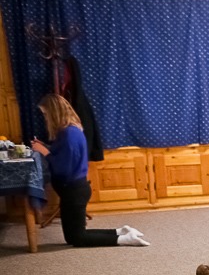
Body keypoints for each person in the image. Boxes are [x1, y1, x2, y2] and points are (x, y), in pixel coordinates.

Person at [30, 94, 149, 249]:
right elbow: (63, 154)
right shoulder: (67, 131)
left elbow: (64, 168)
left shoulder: (69, 134)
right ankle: (121, 231)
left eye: (46, 114)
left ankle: (124, 239)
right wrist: (46, 147)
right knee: (72, 237)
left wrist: (44, 152)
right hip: (70, 190)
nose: (45, 118)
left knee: (78, 238)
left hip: (74, 190)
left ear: (54, 113)